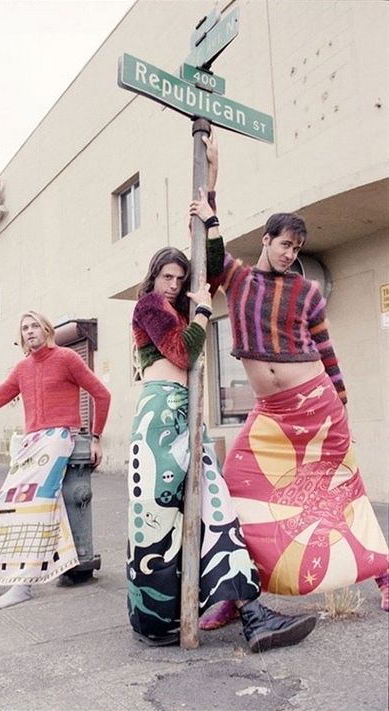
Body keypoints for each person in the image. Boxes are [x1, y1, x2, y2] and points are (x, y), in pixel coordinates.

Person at [126, 136, 317, 651]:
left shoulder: (182, 304)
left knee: (216, 505)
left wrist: (210, 193)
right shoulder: (147, 306)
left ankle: (251, 613)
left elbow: (210, 263)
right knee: (162, 518)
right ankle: (160, 617)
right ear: (153, 278)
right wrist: (204, 316)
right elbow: (183, 353)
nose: (172, 284)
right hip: (158, 417)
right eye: (166, 276)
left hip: (184, 417)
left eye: (178, 278)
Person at [188, 189, 389, 620]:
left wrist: (343, 406)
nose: (289, 254)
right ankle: (237, 590)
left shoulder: (308, 291)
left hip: (317, 405)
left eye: (296, 248)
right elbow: (211, 254)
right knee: (232, 488)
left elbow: (326, 351)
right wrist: (211, 207)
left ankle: (384, 574)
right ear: (266, 240)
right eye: (284, 245)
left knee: (345, 492)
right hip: (272, 414)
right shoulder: (238, 280)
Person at [0, 310, 111, 610]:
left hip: (58, 438)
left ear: (46, 329)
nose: (29, 331)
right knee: (4, 505)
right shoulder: (22, 368)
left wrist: (96, 437)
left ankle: (22, 585)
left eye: (34, 325)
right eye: (24, 328)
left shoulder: (66, 358)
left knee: (35, 505)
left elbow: (101, 394)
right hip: (30, 443)